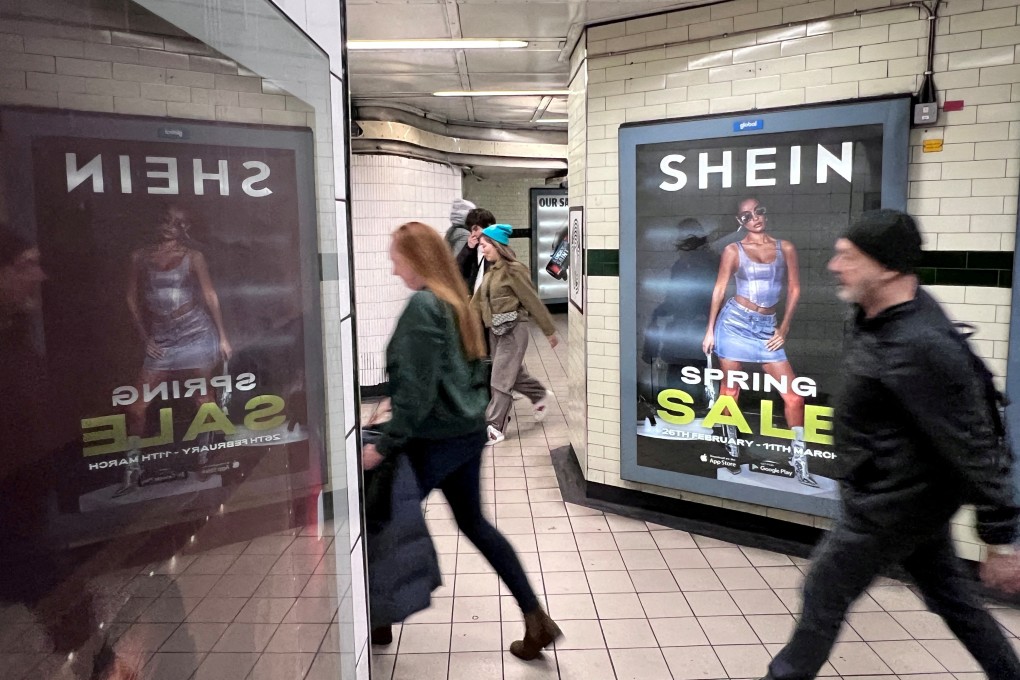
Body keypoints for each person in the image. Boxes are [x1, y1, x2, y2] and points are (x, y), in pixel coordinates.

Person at [759, 209, 1020, 680]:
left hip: (888, 506)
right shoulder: (873, 316)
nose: (835, 267)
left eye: (848, 257)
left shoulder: (921, 343)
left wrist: (1001, 537)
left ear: (887, 267)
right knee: (956, 602)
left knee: (823, 591)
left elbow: (975, 438)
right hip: (906, 496)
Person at [362, 221, 561, 660]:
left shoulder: (422, 306)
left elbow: (415, 391)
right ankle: (536, 618)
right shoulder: (457, 302)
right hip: (465, 433)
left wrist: (384, 443)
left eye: (396, 259)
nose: (394, 269)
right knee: (474, 524)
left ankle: (377, 615)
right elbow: (470, 372)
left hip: (431, 440)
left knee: (380, 521)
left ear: (416, 260)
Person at [0, 227, 134, 679]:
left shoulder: (16, 337)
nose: (39, 276)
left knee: (63, 597)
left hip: (26, 506)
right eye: (25, 265)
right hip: (13, 511)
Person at [120, 205, 232, 495]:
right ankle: (132, 467)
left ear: (186, 227)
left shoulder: (193, 257)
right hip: (162, 338)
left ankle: (204, 457)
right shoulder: (140, 256)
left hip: (195, 333)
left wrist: (222, 336)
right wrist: (145, 338)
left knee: (202, 398)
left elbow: (209, 294)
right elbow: (131, 298)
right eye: (166, 219)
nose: (170, 225)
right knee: (137, 406)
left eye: (177, 222)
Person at [701, 198, 814, 486]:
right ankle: (732, 449)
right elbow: (719, 288)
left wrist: (784, 328)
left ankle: (799, 459)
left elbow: (795, 288)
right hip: (735, 322)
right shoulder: (733, 250)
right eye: (747, 216)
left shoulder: (784, 247)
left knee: (794, 396)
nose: (755, 218)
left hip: (767, 327)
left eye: (759, 211)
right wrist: (710, 330)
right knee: (731, 391)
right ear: (740, 221)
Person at [471, 223, 558, 445]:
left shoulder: (514, 270)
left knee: (500, 378)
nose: (482, 249)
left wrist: (549, 330)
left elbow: (532, 300)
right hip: (496, 332)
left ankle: (494, 427)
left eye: (484, 245)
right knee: (513, 374)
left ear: (497, 245)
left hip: (514, 331)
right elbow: (476, 303)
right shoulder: (491, 273)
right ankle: (539, 395)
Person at [456, 207, 496, 294]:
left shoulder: (497, 250)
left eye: (476, 229)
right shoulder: (473, 247)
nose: (473, 234)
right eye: (471, 230)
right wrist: (468, 248)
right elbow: (458, 270)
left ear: (487, 227)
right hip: (475, 299)